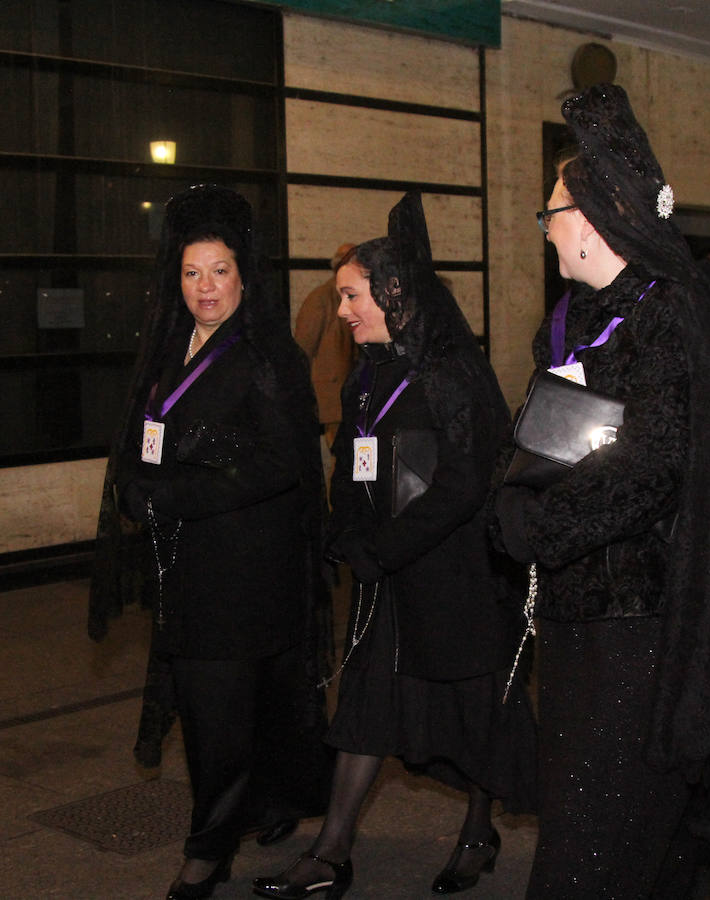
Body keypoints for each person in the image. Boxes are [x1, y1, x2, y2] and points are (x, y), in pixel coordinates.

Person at [492, 85, 710, 898]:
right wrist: (506, 494)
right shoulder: (580, 316)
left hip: (642, 632)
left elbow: (652, 470)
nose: (545, 229)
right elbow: (545, 428)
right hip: (580, 620)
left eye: (552, 213)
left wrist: (535, 526)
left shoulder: (669, 317)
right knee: (604, 841)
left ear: (594, 217)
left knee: (595, 851)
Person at [253, 191, 536, 900]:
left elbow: (467, 483)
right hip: (386, 577)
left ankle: (478, 829)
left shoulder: (452, 373)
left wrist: (386, 547)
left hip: (456, 577)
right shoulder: (367, 375)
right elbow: (351, 461)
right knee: (364, 708)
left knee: (473, 709)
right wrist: (346, 530)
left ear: (392, 293)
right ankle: (331, 851)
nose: (342, 310)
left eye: (351, 296)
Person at [88, 184, 333, 900]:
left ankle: (208, 850)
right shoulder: (172, 350)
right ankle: (275, 805)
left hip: (246, 571)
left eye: (218, 271)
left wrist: (176, 495)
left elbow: (282, 464)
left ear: (242, 275)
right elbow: (147, 435)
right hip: (188, 569)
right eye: (192, 273)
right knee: (231, 708)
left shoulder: (267, 355)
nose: (204, 288)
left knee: (218, 715)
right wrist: (133, 485)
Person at [294, 242, 357, 454]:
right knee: (341, 457)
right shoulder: (320, 298)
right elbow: (303, 348)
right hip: (331, 396)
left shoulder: (348, 296)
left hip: (347, 393)